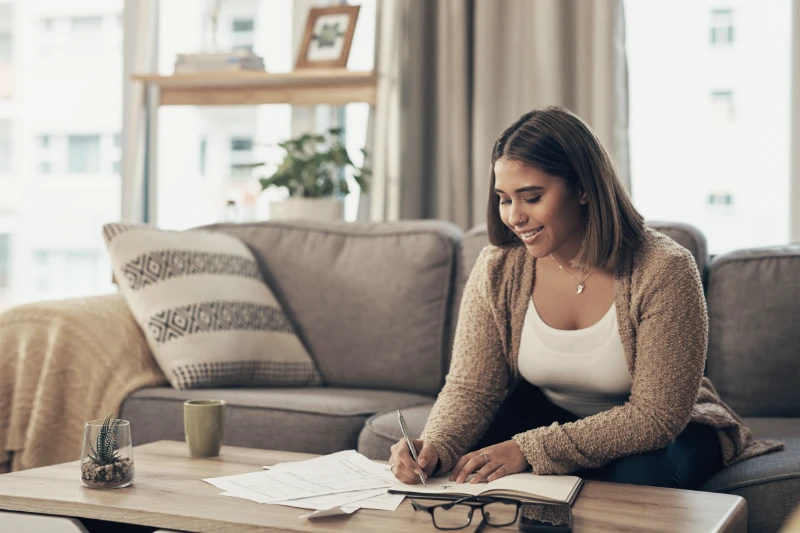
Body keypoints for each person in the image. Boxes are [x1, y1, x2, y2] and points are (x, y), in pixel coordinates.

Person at [389, 106, 782, 489]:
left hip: (668, 429)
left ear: (581, 189)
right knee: (464, 461)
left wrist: (531, 448)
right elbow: (471, 388)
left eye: (531, 196)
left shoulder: (665, 268)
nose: (514, 216)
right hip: (553, 413)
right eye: (505, 198)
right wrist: (434, 446)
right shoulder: (499, 267)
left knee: (639, 482)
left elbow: (656, 417)